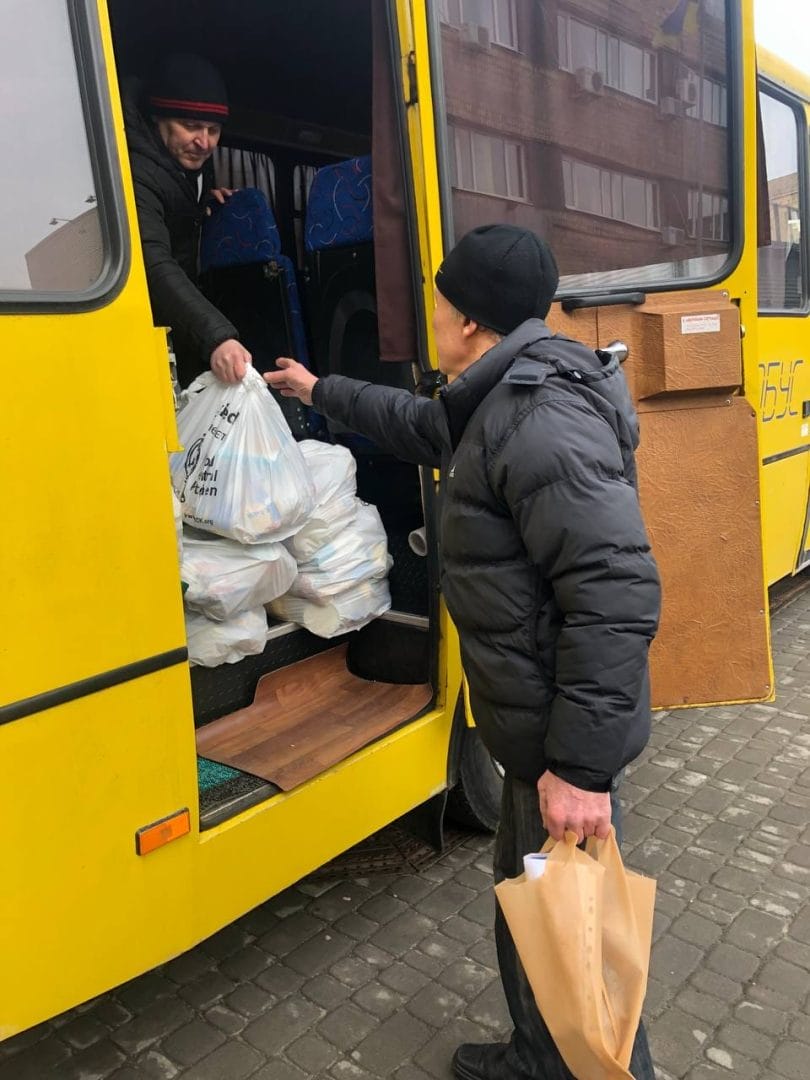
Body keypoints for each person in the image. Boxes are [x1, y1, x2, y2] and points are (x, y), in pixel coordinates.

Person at [266, 223, 661, 1080]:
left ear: (471, 321)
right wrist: (317, 387)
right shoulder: (497, 395)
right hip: (537, 732)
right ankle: (539, 1055)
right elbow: (416, 424)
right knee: (541, 909)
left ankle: (593, 1067)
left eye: (438, 304)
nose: (431, 318)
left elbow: (615, 596)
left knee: (581, 936)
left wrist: (582, 771)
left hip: (561, 740)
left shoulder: (538, 418)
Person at [123, 52, 251, 386]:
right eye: (191, 126)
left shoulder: (185, 167)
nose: (204, 142)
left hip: (181, 321)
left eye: (214, 129)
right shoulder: (136, 173)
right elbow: (152, 260)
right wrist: (217, 336)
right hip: (149, 329)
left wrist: (202, 205)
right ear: (156, 120)